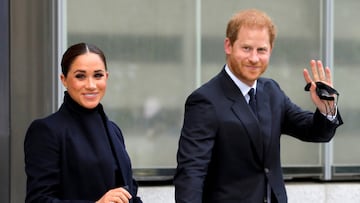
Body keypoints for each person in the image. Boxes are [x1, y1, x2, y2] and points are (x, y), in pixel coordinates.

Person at [174, 9, 343, 203]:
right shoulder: (205, 101)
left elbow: (315, 132)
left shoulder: (271, 91)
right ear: (228, 46)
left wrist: (326, 107)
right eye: (246, 48)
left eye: (261, 50)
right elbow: (191, 174)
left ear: (271, 49)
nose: (254, 58)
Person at [24, 42, 142, 203]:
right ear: (64, 80)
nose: (91, 85)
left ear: (106, 77)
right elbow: (38, 200)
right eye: (80, 76)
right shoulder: (46, 131)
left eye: (98, 75)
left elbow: (128, 190)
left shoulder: (114, 130)